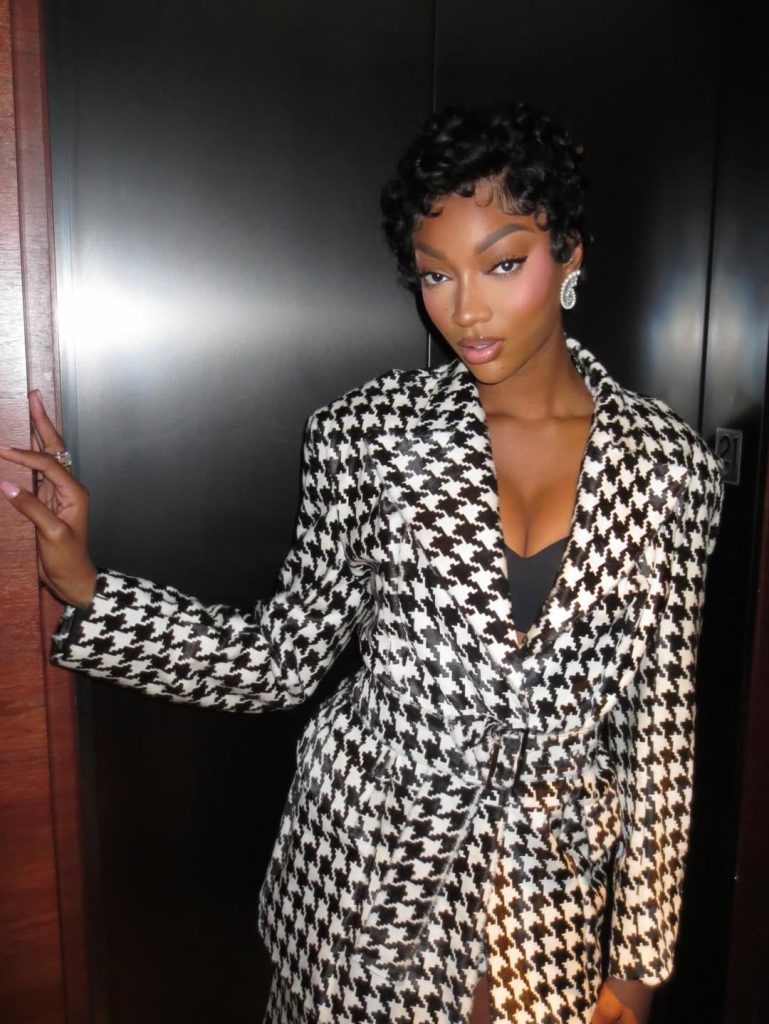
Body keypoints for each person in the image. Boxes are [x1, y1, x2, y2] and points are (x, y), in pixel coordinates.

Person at [0, 103, 723, 1024]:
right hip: (364, 884)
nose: (465, 309)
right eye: (435, 274)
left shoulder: (669, 468)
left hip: (551, 898)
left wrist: (639, 963)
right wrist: (87, 586)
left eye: (503, 263)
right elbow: (279, 659)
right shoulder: (368, 435)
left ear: (569, 254)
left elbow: (658, 734)